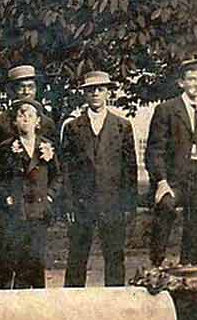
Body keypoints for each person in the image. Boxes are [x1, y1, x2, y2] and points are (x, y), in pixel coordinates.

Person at [57, 71, 139, 287]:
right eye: (90, 90)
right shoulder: (73, 127)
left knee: (114, 256)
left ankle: (115, 302)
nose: (95, 93)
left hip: (112, 203)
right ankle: (72, 303)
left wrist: (129, 204)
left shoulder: (122, 126)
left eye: (100, 89)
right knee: (77, 256)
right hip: (81, 203)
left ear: (107, 93)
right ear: (84, 94)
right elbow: (65, 169)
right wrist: (68, 204)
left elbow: (130, 170)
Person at [146, 58, 197, 267]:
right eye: (191, 79)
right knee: (165, 209)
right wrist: (161, 181)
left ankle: (190, 269)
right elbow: (154, 150)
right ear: (181, 83)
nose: (196, 84)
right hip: (174, 177)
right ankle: (156, 262)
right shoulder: (167, 109)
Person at [0, 100, 57, 289]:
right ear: (14, 122)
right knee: (18, 257)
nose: (25, 118)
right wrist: (6, 195)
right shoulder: (6, 147)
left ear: (38, 122)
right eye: (20, 115)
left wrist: (50, 194)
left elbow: (58, 175)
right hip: (16, 210)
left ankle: (38, 300)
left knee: (37, 257)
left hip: (39, 210)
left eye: (30, 115)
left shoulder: (47, 146)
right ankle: (19, 298)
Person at [0, 65, 57, 150]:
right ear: (12, 90)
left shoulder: (46, 123)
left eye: (31, 87)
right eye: (21, 87)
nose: (26, 92)